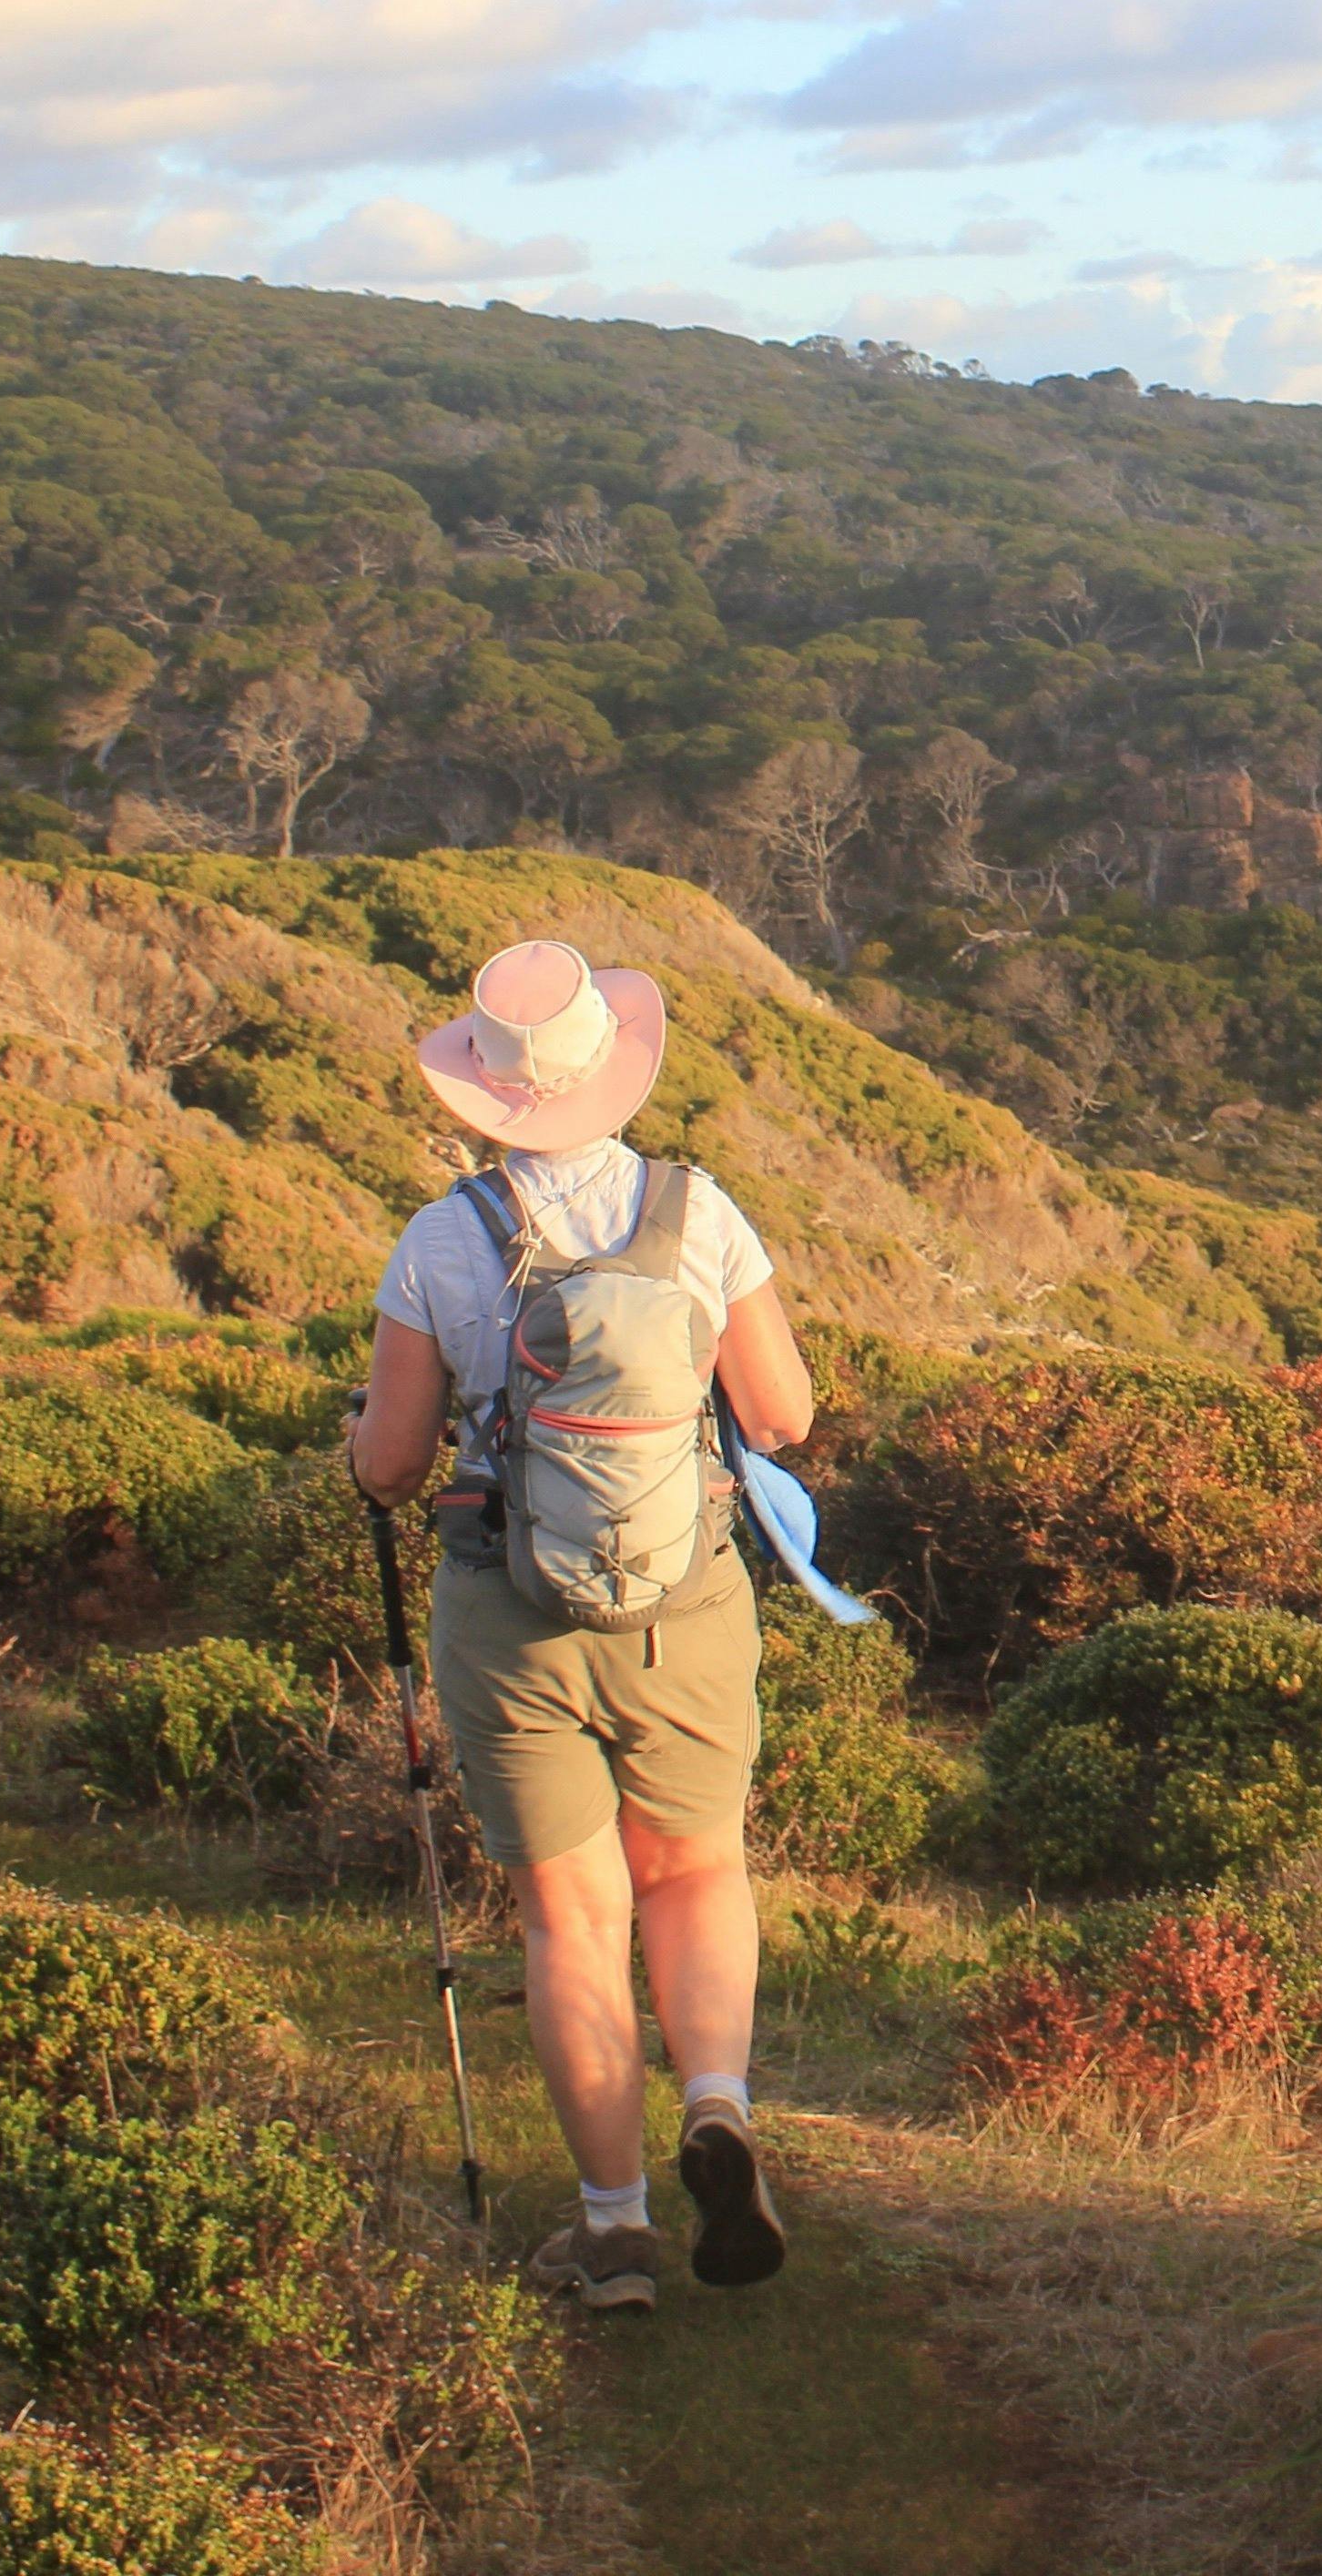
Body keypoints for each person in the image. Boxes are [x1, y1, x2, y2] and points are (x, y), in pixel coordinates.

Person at [344, 938, 817, 2315]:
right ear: (608, 1072)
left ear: (488, 1094)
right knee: (694, 1873)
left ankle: (614, 2233)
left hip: (509, 1610)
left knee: (570, 1913)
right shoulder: (699, 1211)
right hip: (683, 1599)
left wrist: (361, 1446)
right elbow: (783, 1416)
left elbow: (391, 1465)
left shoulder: (441, 1240)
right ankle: (716, 2107)